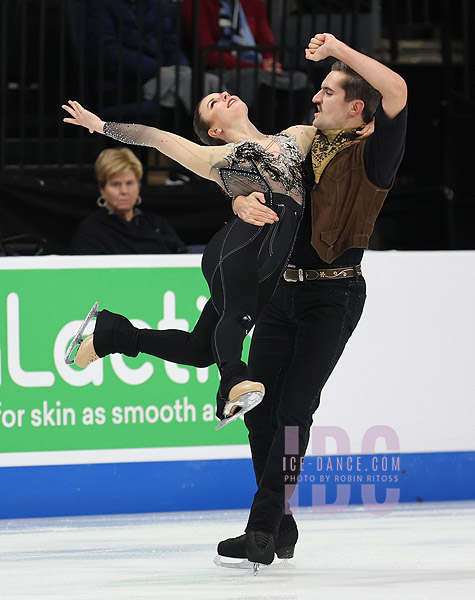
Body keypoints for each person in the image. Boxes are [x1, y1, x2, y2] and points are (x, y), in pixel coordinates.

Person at [216, 32, 408, 566]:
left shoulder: (375, 154)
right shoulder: (301, 142)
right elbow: (247, 172)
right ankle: (282, 525)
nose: (315, 98)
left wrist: (339, 51)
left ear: (355, 106)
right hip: (281, 291)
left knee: (297, 406)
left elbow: (396, 90)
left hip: (334, 294)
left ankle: (260, 528)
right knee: (260, 411)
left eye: (327, 91)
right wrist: (240, 200)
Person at [61, 90, 316, 484]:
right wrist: (101, 126)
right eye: (213, 101)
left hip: (267, 261)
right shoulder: (216, 158)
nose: (225, 95)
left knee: (199, 350)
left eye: (224, 92)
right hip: (234, 252)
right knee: (238, 314)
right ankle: (233, 379)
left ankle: (112, 335)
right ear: (213, 130)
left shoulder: (296, 137)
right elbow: (153, 137)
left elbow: (338, 134)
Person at [180, 0, 310, 125]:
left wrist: (272, 63)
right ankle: (262, 138)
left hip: (259, 67)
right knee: (260, 80)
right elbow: (208, 53)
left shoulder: (255, 3)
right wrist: (258, 67)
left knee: (300, 80)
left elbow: (267, 43)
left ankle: (288, 138)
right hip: (221, 68)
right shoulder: (196, 3)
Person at [83, 0, 219, 116]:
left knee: (208, 81)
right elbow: (108, 51)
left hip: (164, 75)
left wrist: (181, 69)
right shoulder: (100, 5)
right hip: (124, 82)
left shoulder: (158, 6)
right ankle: (204, 139)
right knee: (191, 85)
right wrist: (157, 69)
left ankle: (215, 136)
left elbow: (172, 46)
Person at [70, 147, 186, 255]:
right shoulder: (91, 231)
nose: (124, 191)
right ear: (102, 189)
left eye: (129, 183)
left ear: (139, 186)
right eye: (116, 184)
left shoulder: (156, 224)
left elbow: (182, 257)